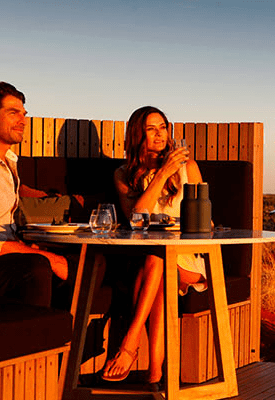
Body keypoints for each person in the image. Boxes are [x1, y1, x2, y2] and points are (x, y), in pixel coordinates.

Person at [102, 106, 207, 385]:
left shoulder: (189, 168)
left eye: (163, 127)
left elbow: (203, 221)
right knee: (158, 263)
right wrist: (162, 174)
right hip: (150, 260)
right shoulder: (124, 174)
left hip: (188, 259)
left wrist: (173, 169)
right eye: (151, 129)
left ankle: (130, 344)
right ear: (138, 135)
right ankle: (155, 378)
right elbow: (136, 219)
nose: (160, 134)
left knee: (158, 258)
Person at [0, 81, 69, 308]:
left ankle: (72, 336)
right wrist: (47, 258)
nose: (23, 120)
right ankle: (37, 340)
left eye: (23, 113)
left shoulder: (9, 161)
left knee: (90, 265)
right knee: (37, 267)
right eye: (13, 113)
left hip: (7, 254)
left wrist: (29, 246)